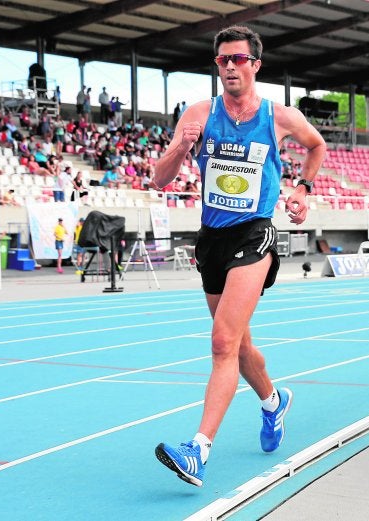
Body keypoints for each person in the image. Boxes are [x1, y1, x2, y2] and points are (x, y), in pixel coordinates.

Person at [153, 24, 326, 487]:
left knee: (222, 343)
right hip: (212, 239)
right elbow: (159, 178)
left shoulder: (279, 116)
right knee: (240, 344)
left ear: (256, 65)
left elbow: (316, 146)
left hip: (255, 234)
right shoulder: (198, 113)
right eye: (223, 60)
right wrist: (181, 147)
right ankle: (273, 403)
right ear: (217, 66)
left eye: (239, 59)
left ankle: (198, 450)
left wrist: (302, 188)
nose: (231, 66)